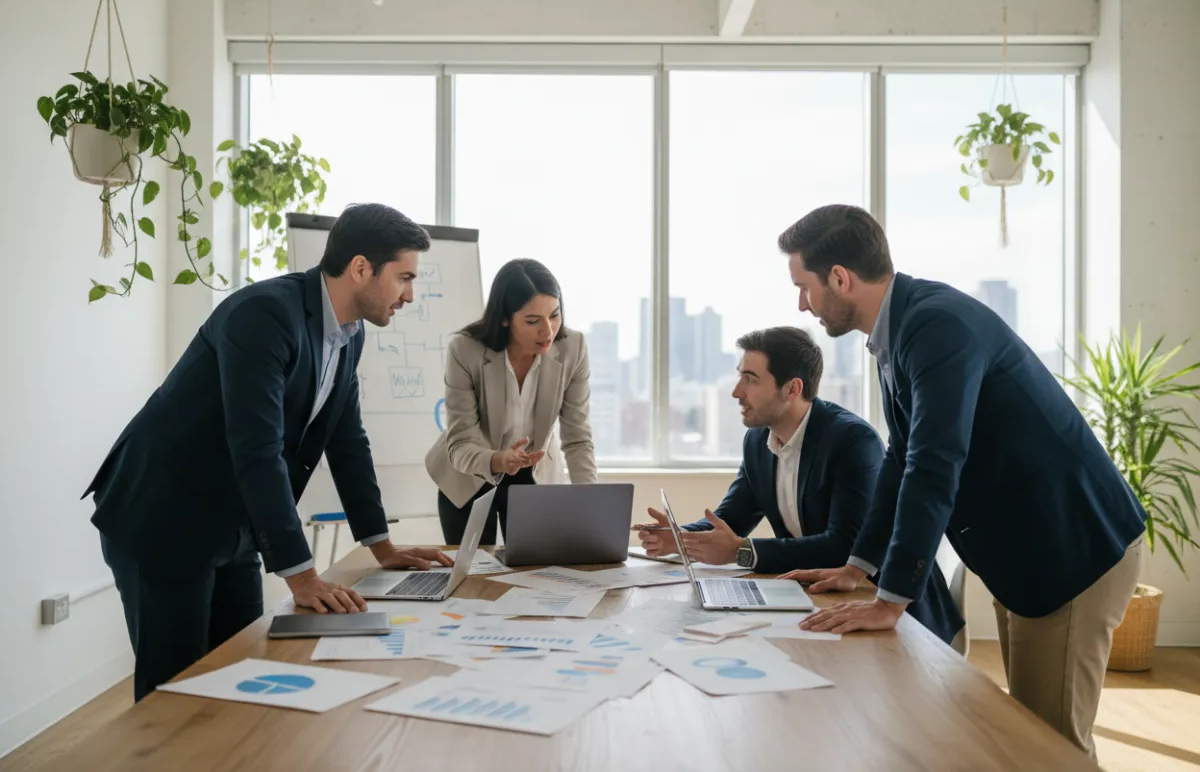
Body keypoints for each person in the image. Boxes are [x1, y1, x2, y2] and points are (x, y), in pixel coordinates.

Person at [777, 204, 1146, 758]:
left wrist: (891, 599)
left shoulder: (934, 326)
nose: (801, 304)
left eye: (803, 286)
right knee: (1026, 734)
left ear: (839, 278)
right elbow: (901, 458)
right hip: (1025, 549)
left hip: (1072, 548)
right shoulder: (897, 331)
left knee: (1052, 747)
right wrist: (860, 564)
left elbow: (934, 461)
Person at [83, 203, 453, 702]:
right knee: (174, 695)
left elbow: (347, 440)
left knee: (242, 674)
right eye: (404, 278)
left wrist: (380, 544)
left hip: (231, 519)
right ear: (361, 268)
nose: (410, 295)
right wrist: (301, 574)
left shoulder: (350, 333)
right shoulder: (265, 315)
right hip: (162, 515)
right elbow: (256, 449)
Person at [636, 326, 963, 646]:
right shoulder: (757, 440)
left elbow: (845, 546)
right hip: (819, 601)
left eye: (750, 379)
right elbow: (730, 519)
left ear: (792, 389)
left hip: (888, 609)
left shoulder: (852, 440)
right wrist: (680, 538)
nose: (737, 391)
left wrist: (742, 552)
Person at [425, 258, 597, 545]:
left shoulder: (573, 348)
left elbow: (577, 439)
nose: (548, 331)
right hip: (469, 474)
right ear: (505, 317)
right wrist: (498, 460)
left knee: (537, 576)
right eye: (533, 321)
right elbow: (460, 443)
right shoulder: (465, 350)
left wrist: (590, 504)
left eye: (554, 315)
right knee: (474, 581)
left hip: (534, 478)